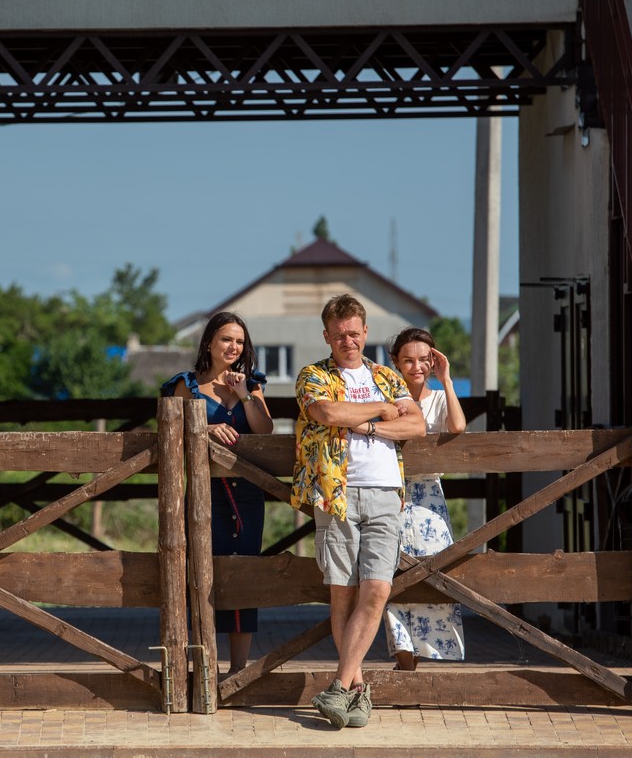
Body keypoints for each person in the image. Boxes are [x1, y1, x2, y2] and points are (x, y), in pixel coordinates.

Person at [292, 294, 426, 729]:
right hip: (338, 493)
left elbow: (417, 425)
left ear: (365, 333)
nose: (348, 340)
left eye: (354, 332)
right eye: (339, 334)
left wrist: (366, 424)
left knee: (377, 590)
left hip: (387, 492)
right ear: (327, 336)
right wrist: (385, 409)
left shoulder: (386, 375)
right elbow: (326, 411)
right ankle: (354, 690)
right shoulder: (314, 375)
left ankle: (337, 688)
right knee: (342, 593)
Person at [162, 311, 273, 673]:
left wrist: (243, 394)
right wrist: (204, 429)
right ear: (209, 342)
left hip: (248, 494)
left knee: (244, 576)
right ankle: (202, 666)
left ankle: (238, 669)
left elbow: (264, 429)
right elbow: (169, 433)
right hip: (205, 493)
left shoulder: (252, 384)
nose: (233, 347)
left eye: (240, 341)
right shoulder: (186, 385)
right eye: (226, 339)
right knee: (203, 574)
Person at [384, 327, 467, 672]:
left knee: (435, 574)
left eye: (423, 359)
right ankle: (406, 662)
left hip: (430, 499)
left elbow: (458, 427)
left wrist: (447, 380)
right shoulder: (385, 401)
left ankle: (427, 657)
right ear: (396, 363)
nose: (416, 367)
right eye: (408, 360)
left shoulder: (437, 399)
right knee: (392, 577)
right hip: (392, 493)